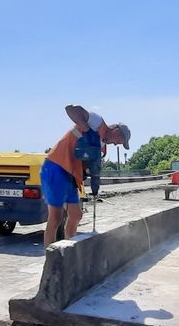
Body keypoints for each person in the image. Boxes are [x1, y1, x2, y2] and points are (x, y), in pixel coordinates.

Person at [42, 105, 131, 247]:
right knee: (56, 217)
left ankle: (69, 251)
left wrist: (94, 177)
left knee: (76, 215)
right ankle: (50, 259)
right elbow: (70, 109)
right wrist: (88, 130)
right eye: (119, 141)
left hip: (70, 174)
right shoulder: (97, 122)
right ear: (116, 130)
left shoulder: (102, 146)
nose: (115, 144)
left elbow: (90, 164)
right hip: (56, 166)